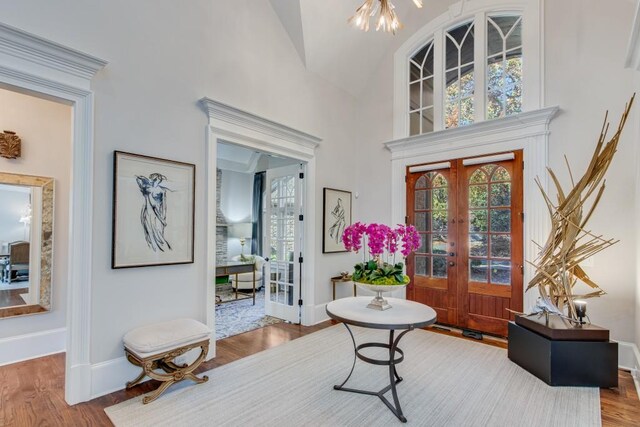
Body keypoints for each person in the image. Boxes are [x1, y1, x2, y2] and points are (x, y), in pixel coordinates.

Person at [136, 173, 172, 252]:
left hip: (156, 213)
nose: (153, 181)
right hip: (150, 213)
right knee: (152, 233)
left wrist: (163, 217)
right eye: (152, 180)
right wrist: (162, 218)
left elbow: (164, 205)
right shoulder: (149, 189)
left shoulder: (161, 190)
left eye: (155, 180)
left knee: (158, 233)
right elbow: (153, 205)